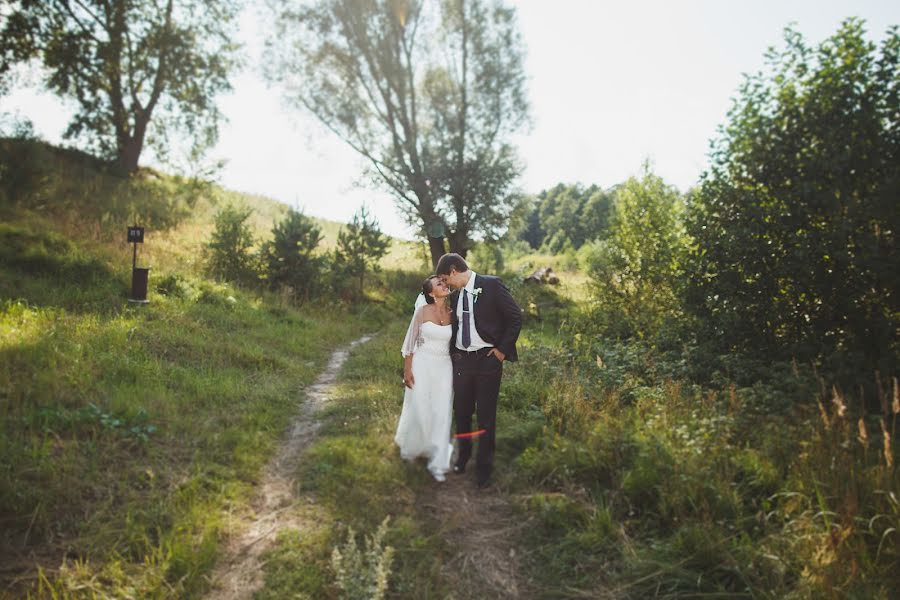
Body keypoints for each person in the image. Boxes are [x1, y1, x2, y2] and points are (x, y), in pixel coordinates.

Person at [436, 253, 522, 489]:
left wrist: (502, 351)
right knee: (461, 413)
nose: (446, 284)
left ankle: (484, 470)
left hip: (487, 361)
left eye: (446, 278)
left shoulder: (491, 285)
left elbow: (515, 317)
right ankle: (463, 459)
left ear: (454, 270)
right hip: (462, 362)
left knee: (485, 417)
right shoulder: (457, 295)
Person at [395, 275, 455, 481]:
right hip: (422, 363)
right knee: (420, 405)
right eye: (440, 284)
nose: (445, 285)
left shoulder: (453, 313)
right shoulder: (422, 312)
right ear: (431, 292)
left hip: (445, 365)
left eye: (444, 283)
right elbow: (410, 343)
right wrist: (407, 371)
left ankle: (438, 460)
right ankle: (415, 446)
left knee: (442, 408)